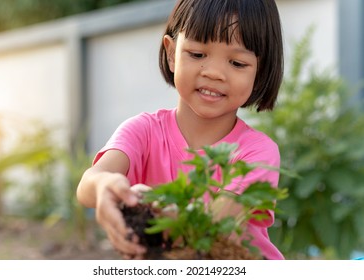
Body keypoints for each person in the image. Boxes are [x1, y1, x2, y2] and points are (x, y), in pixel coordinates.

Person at [77, 0, 284, 260]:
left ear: (260, 70)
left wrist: (158, 208)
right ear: (171, 53)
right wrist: (105, 185)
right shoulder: (143, 131)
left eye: (237, 63)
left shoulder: (257, 153)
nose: (214, 73)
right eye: (197, 54)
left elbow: (214, 224)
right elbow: (89, 183)